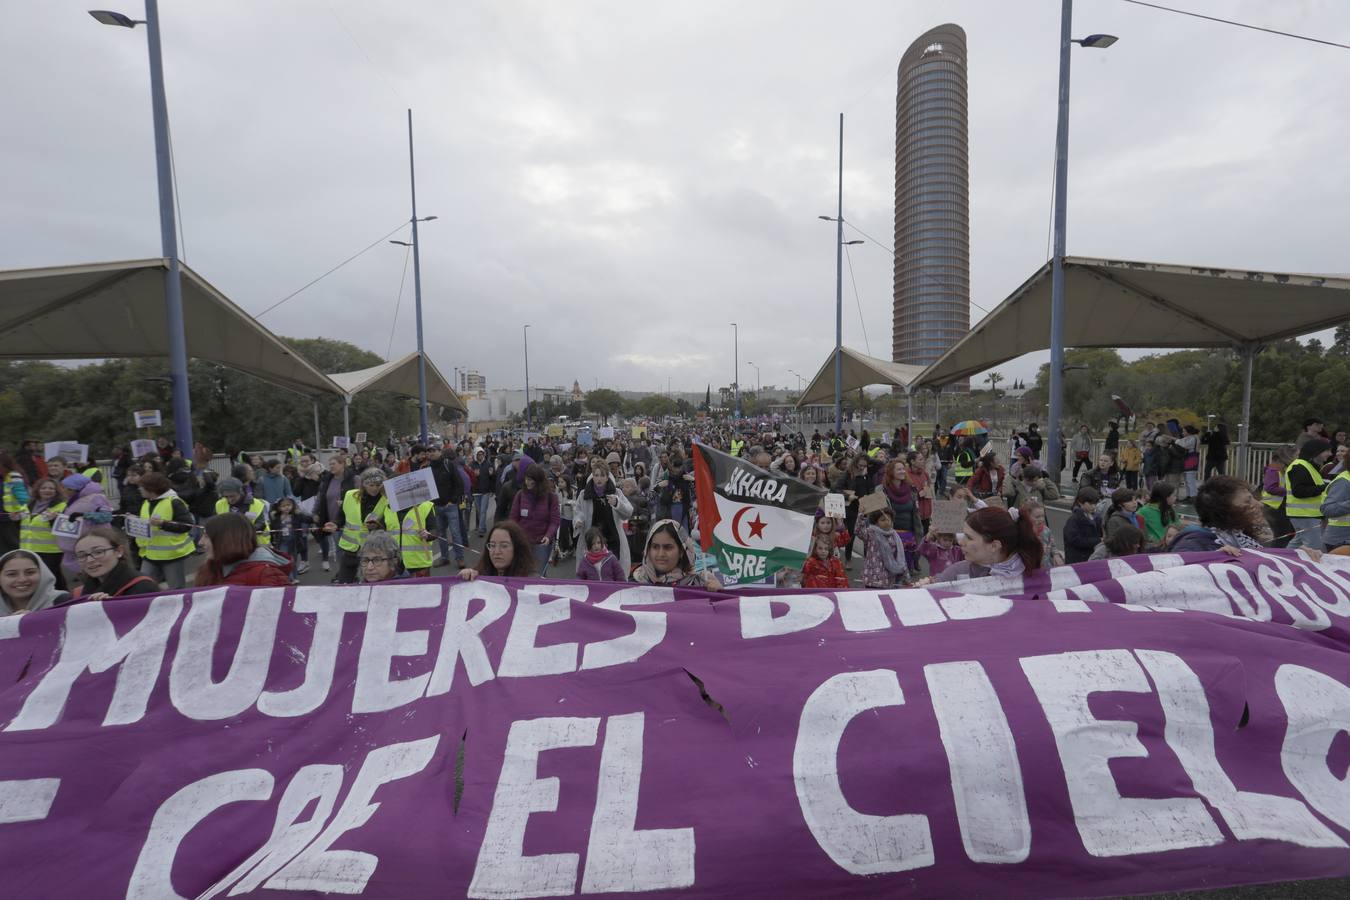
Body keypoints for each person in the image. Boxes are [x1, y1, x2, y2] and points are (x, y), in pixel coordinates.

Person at [925, 506, 1044, 583]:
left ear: (994, 546)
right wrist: (928, 585)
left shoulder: (1032, 573)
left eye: (969, 538)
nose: (961, 542)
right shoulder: (957, 572)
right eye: (963, 535)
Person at [1169, 476, 1280, 555]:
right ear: (1224, 511)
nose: (1259, 505)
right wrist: (1212, 560)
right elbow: (1177, 574)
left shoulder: (1240, 537)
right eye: (1247, 502)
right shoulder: (1193, 543)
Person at [324, 468, 396, 584]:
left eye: (378, 485)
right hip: (350, 551)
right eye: (371, 485)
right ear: (363, 484)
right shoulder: (350, 495)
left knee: (370, 586)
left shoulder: (387, 500)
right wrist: (335, 524)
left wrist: (378, 525)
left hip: (372, 552)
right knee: (344, 584)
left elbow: (390, 523)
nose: (374, 488)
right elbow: (341, 516)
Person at [193, 513, 292, 587]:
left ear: (226, 540)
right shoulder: (209, 570)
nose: (200, 542)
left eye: (206, 536)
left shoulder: (267, 576)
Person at [136, 471, 196, 589]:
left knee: (176, 589)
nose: (139, 489)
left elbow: (187, 525)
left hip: (171, 555)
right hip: (150, 554)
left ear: (151, 489)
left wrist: (163, 524)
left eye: (142, 487)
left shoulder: (174, 502)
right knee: (144, 587)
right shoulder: (146, 502)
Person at [573, 459, 634, 575]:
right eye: (596, 475)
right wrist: (578, 521)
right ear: (592, 476)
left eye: (602, 475)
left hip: (613, 539)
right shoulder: (584, 494)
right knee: (593, 572)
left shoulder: (616, 493)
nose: (599, 479)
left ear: (607, 477)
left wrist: (617, 504)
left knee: (613, 572)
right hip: (592, 541)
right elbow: (578, 512)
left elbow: (628, 512)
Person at [629, 519, 722, 590]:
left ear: (682, 551)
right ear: (648, 549)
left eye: (668, 547)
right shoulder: (633, 583)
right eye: (655, 547)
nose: (661, 554)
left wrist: (720, 593)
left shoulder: (702, 582)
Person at [71, 527, 158, 600]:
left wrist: (113, 608)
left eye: (98, 552)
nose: (89, 560)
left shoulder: (143, 588)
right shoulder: (79, 594)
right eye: (82, 555)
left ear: (119, 551)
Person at [510, 463, 561, 576]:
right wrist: (515, 536)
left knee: (538, 576)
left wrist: (548, 536)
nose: (527, 482)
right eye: (526, 479)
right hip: (523, 543)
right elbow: (513, 519)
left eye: (530, 479)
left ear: (538, 481)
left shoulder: (551, 498)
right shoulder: (520, 495)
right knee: (522, 574)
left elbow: (555, 521)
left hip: (541, 544)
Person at [18, 477, 67, 590]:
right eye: (43, 488)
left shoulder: (61, 506)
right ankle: (64, 597)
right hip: (29, 548)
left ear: (56, 491)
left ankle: (53, 600)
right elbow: (25, 526)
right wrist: (15, 518)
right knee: (55, 577)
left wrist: (53, 520)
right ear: (38, 490)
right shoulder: (27, 506)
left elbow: (64, 529)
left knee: (47, 578)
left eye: (51, 488)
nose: (47, 490)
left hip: (50, 550)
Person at [1286, 438, 1331, 551]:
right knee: (1316, 548)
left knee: (1297, 544)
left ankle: (1282, 560)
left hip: (1306, 514)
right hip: (1304, 515)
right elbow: (1299, 492)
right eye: (1327, 451)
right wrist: (1324, 487)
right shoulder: (1300, 467)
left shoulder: (1308, 466)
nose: (1330, 454)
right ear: (1317, 451)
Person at [314, 456, 356, 574]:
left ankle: (354, 574)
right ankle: (341, 574)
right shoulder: (327, 480)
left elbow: (360, 496)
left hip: (350, 521)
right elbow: (320, 497)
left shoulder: (353, 479)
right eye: (330, 464)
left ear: (342, 464)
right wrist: (315, 512)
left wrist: (347, 502)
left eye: (334, 464)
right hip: (333, 521)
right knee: (338, 550)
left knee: (351, 549)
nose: (331, 466)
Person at [459, 521, 539, 580]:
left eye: (504, 546)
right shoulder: (479, 574)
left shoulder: (531, 581)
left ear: (517, 548)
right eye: (492, 545)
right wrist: (466, 575)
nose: (496, 552)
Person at [1, 549, 70, 616]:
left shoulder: (64, 602)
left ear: (43, 574)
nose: (22, 579)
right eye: (11, 574)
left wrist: (36, 621)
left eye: (30, 572)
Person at [859, 508, 910, 589]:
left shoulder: (895, 536)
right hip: (872, 577)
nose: (887, 522)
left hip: (888, 578)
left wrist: (905, 575)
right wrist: (861, 516)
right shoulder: (870, 533)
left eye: (889, 520)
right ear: (876, 522)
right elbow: (859, 532)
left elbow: (899, 557)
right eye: (883, 520)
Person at [214, 477, 271, 547]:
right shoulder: (220, 504)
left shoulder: (256, 504)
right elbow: (217, 523)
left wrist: (242, 530)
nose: (229, 500)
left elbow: (261, 524)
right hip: (231, 544)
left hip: (255, 544)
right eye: (226, 497)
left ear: (240, 491)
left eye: (232, 496)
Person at [394, 494, 438, 577]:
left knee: (423, 590)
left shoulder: (425, 506)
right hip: (395, 564)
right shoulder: (388, 507)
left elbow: (435, 531)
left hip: (419, 563)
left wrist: (427, 535)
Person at [269, 496, 314, 577]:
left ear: (292, 505)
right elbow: (272, 528)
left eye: (288, 505)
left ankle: (294, 577)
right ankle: (288, 577)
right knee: (285, 559)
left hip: (294, 542)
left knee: (293, 559)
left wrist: (314, 518)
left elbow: (307, 519)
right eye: (283, 506)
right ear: (279, 508)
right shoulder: (277, 517)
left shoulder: (296, 515)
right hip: (282, 542)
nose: (286, 507)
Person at [1260, 445, 1295, 548]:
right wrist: (1289, 491)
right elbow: (1270, 488)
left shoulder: (1282, 469)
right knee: (1281, 535)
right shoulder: (1274, 469)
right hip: (1274, 507)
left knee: (1286, 534)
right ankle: (1276, 554)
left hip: (1280, 506)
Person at [1063, 488, 1103, 564]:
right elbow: (1074, 540)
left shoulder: (1097, 518)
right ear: (1080, 502)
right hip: (1077, 558)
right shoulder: (1074, 519)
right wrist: (1098, 540)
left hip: (1091, 556)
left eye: (1095, 503)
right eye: (1090, 504)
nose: (1094, 506)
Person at [1, 450, 30, 555]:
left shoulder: (13, 475)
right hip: (4, 518)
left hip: (11, 519)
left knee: (12, 548)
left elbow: (21, 495)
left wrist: (23, 511)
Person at [1138, 482, 1180, 550]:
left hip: (1173, 546)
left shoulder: (1170, 509)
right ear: (1166, 497)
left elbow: (1178, 527)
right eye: (1174, 495)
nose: (1176, 497)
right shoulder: (1143, 512)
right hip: (1156, 550)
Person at [1022, 500, 1064, 567]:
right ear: (1027, 517)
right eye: (1037, 517)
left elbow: (1053, 545)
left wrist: (1056, 555)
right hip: (1031, 569)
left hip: (1046, 567)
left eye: (1043, 516)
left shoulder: (1046, 530)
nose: (1041, 519)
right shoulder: (1024, 533)